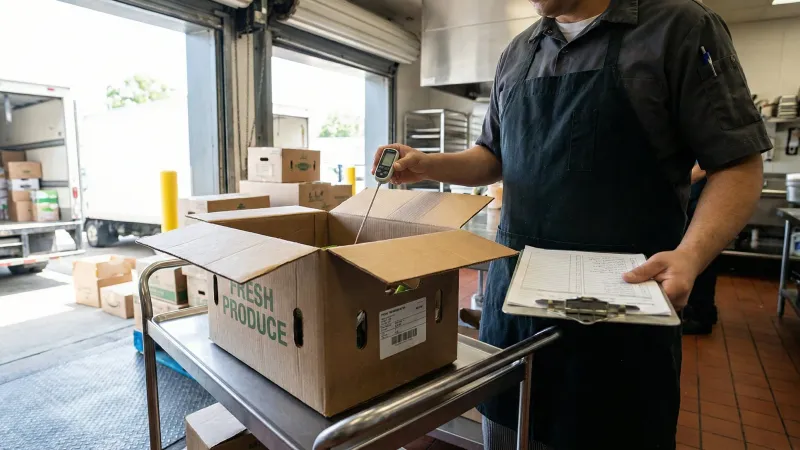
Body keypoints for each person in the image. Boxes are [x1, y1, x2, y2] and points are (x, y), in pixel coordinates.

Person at [373, 0, 768, 447]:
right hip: (516, 306)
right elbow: (492, 156)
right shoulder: (518, 52)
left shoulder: (680, 28)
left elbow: (737, 163)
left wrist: (690, 255)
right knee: (508, 428)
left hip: (621, 310)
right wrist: (429, 164)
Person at [683, 162, 720, 335]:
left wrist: (674, 183)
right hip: (697, 197)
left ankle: (701, 317)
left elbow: (701, 168)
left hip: (702, 199)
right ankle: (703, 311)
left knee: (700, 259)